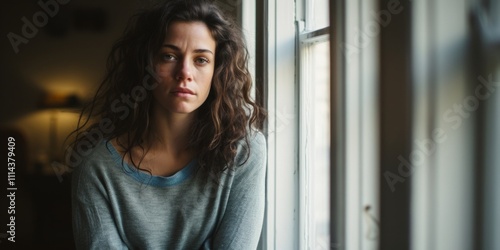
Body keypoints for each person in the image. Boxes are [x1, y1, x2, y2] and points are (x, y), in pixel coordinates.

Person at [68, 0, 267, 249]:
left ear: (219, 69)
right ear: (146, 65)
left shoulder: (244, 151)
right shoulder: (96, 167)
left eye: (201, 60)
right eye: (169, 56)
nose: (185, 72)